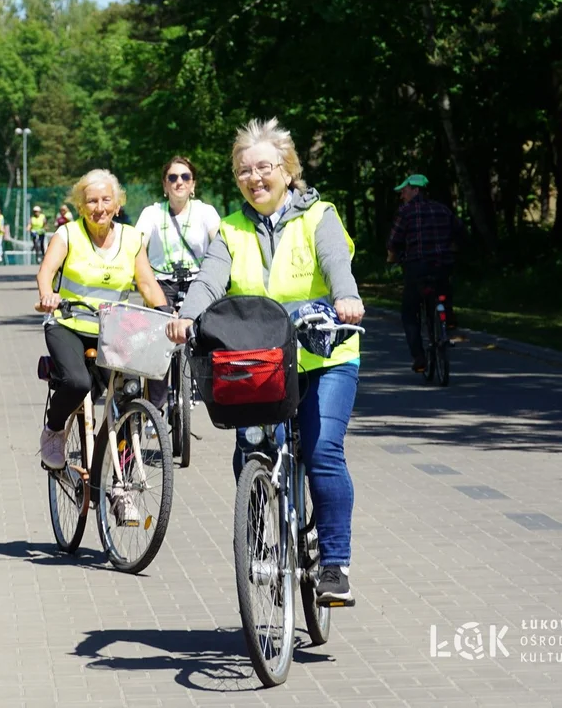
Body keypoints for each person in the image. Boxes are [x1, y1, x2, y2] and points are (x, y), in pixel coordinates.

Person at [165, 118, 365, 607]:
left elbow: (337, 260)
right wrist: (187, 316)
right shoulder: (231, 229)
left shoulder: (320, 215)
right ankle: (257, 540)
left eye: (264, 168)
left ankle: (335, 565)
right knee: (253, 448)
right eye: (243, 171)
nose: (254, 178)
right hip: (260, 359)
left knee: (321, 454)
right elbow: (212, 279)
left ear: (287, 170)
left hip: (324, 352)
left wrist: (347, 297)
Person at [37, 168, 168, 525]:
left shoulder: (130, 238)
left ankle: (118, 488)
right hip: (69, 324)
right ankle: (52, 431)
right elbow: (46, 271)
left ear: (117, 203)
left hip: (113, 328)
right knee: (77, 383)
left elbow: (147, 283)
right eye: (91, 201)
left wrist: (166, 314)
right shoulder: (68, 234)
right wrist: (48, 295)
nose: (99, 207)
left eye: (106, 200)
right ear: (81, 204)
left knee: (126, 401)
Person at [134, 156, 222, 414]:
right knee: (157, 340)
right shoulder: (152, 213)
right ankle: (155, 407)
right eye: (172, 177)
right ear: (165, 184)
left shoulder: (206, 212)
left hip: (198, 281)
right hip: (161, 282)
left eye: (185, 177)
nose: (179, 182)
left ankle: (201, 384)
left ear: (193, 184)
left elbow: (220, 244)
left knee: (205, 333)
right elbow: (136, 244)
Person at [387, 174, 463, 372]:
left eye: (405, 191)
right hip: (443, 265)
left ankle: (419, 357)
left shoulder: (406, 212)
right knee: (443, 289)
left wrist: (393, 256)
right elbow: (460, 231)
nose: (402, 195)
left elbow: (394, 241)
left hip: (417, 267)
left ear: (416, 190)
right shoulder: (443, 209)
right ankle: (448, 317)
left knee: (409, 313)